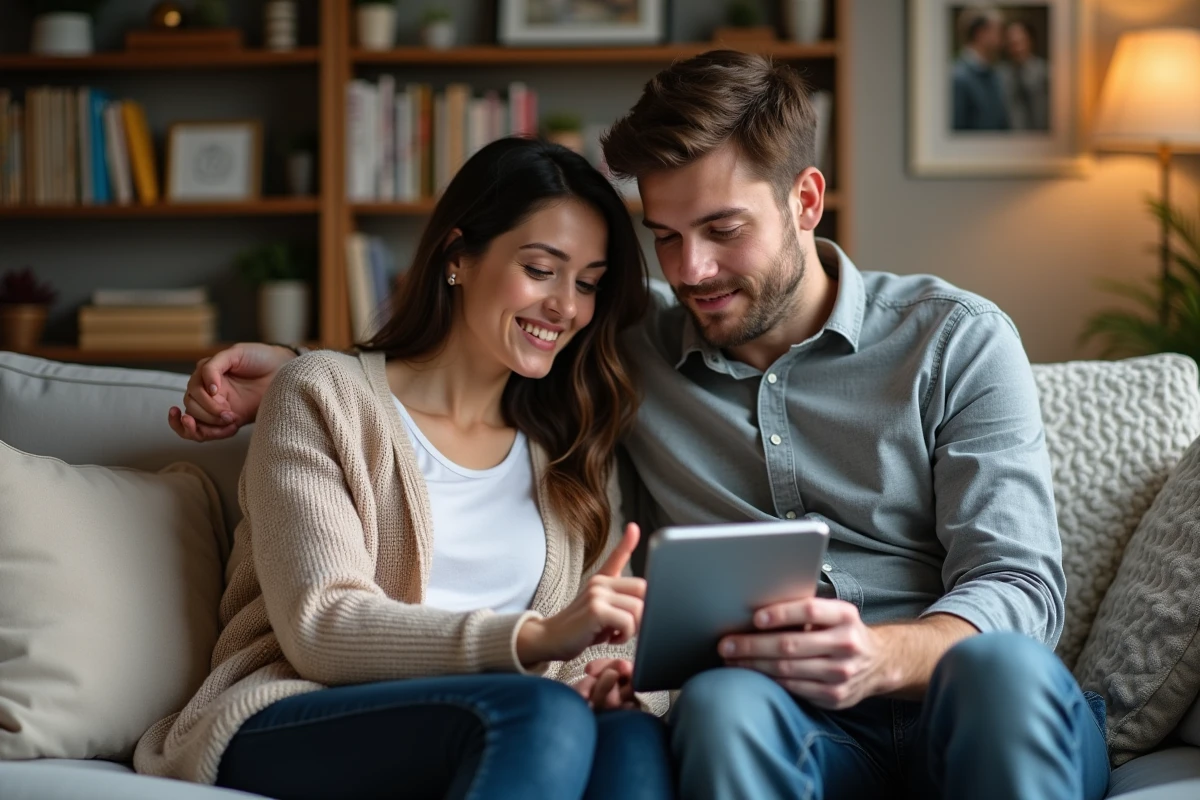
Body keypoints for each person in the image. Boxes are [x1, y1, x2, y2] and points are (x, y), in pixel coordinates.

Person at [173, 51, 1110, 800]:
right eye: (665, 236)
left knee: (1000, 671)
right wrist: (309, 371)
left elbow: (1020, 584)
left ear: (806, 200)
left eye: (723, 230)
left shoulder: (954, 340)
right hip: (790, 726)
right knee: (722, 705)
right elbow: (478, 341)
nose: (692, 270)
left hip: (957, 696)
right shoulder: (627, 348)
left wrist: (881, 657)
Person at [137, 136, 673, 800]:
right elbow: (321, 627)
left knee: (631, 735)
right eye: (541, 269)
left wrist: (612, 677)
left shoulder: (572, 440)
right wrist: (533, 638)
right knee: (540, 712)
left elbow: (598, 631)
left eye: (587, 283)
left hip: (506, 719)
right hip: (297, 708)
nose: (567, 306)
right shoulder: (320, 395)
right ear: (458, 257)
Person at [952, 7, 1011, 131]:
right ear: (981, 33)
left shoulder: (995, 74)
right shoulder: (958, 77)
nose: (1003, 40)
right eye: (998, 31)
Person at [997, 19, 1050, 131]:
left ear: (1030, 41)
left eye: (1020, 42)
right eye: (1012, 43)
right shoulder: (1000, 75)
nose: (1017, 49)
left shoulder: (1045, 72)